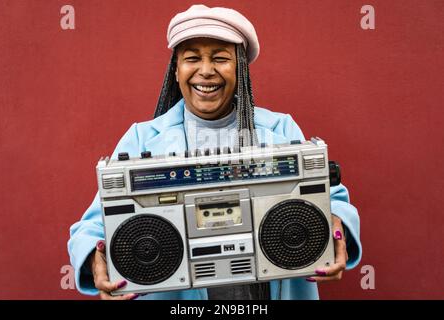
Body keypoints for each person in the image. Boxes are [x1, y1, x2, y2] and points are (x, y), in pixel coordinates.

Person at [68, 4, 362, 300]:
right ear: (176, 70)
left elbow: (331, 198)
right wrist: (95, 255)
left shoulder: (280, 130)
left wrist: (336, 228)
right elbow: (95, 223)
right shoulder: (142, 138)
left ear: (240, 68)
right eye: (192, 58)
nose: (205, 71)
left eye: (220, 58)